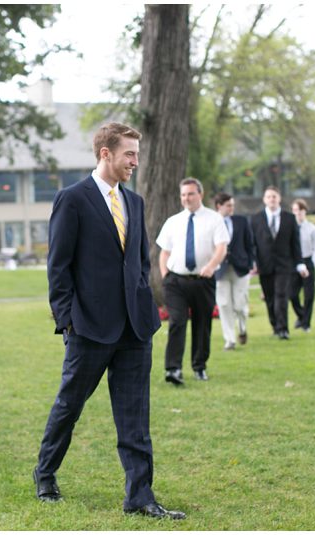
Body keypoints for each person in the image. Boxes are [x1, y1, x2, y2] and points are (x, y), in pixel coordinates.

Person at [33, 122, 185, 520]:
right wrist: (67, 321)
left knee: (135, 415)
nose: (135, 161)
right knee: (70, 405)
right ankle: (45, 473)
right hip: (88, 328)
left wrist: (145, 303)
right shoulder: (72, 199)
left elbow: (138, 262)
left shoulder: (135, 202)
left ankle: (140, 496)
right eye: (129, 154)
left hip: (135, 327)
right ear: (106, 153)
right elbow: (58, 267)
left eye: (137, 154)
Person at [156, 178, 228, 384]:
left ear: (200, 195)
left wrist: (211, 266)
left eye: (190, 194)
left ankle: (199, 367)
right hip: (175, 282)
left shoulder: (214, 219)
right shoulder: (173, 221)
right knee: (177, 321)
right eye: (183, 195)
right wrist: (165, 275)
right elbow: (164, 252)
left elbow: (221, 248)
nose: (186, 198)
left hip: (203, 281)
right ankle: (173, 369)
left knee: (202, 324)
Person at [250, 186, 307, 340]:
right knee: (270, 298)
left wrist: (300, 263)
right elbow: (253, 244)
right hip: (265, 265)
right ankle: (275, 325)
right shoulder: (255, 219)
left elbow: (295, 243)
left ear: (279, 198)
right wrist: (253, 262)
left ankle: (283, 329)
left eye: (274, 196)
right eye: (269, 197)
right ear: (264, 200)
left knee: (281, 296)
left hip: (284, 265)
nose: (272, 199)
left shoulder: (289, 218)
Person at [213, 192, 253, 351]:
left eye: (232, 205)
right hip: (220, 269)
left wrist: (251, 263)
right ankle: (229, 340)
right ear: (219, 206)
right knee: (224, 305)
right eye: (228, 205)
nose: (232, 208)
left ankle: (242, 328)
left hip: (240, 268)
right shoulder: (211, 222)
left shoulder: (241, 221)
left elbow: (250, 244)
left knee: (240, 305)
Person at [289, 199, 315, 333]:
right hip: (294, 262)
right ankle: (302, 315)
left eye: (299, 210)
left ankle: (306, 324)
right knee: (292, 294)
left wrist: (312, 264)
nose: (297, 213)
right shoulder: (290, 228)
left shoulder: (312, 228)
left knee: (309, 295)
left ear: (304, 211)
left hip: (308, 261)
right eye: (294, 211)